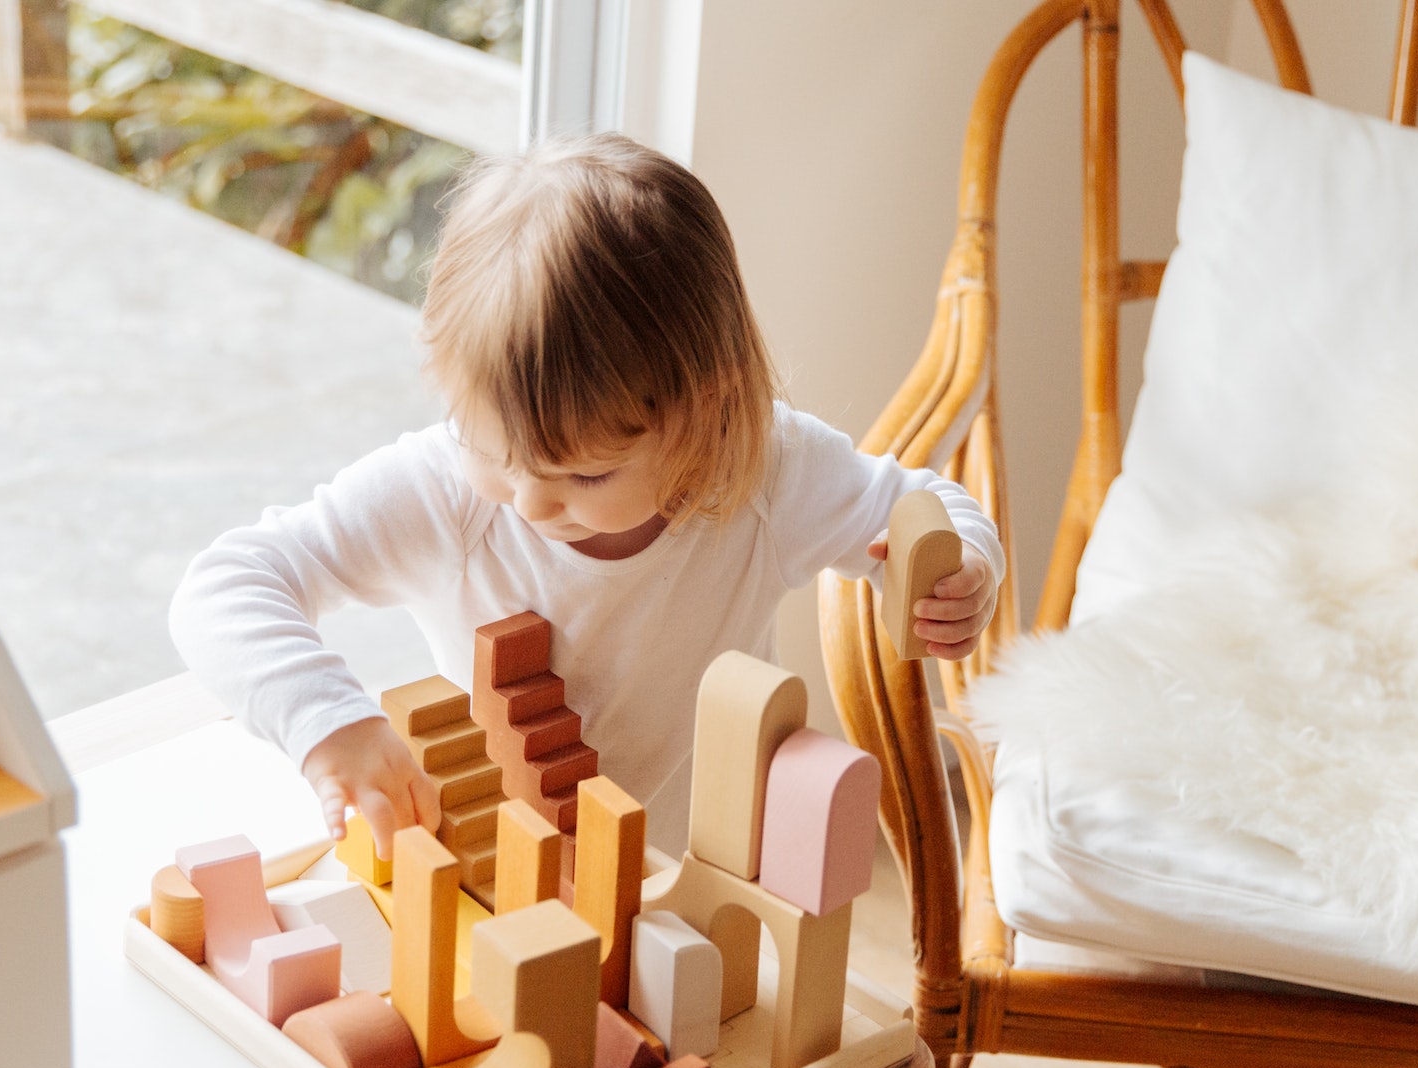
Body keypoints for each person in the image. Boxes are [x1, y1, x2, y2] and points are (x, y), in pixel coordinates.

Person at [169, 132, 1002, 856]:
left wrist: (960, 570)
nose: (530, 502)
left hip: (690, 882)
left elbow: (925, 508)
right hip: (493, 875)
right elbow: (224, 585)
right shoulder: (448, 495)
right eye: (494, 451)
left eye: (584, 475)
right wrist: (331, 726)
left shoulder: (765, 476)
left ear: (701, 408)